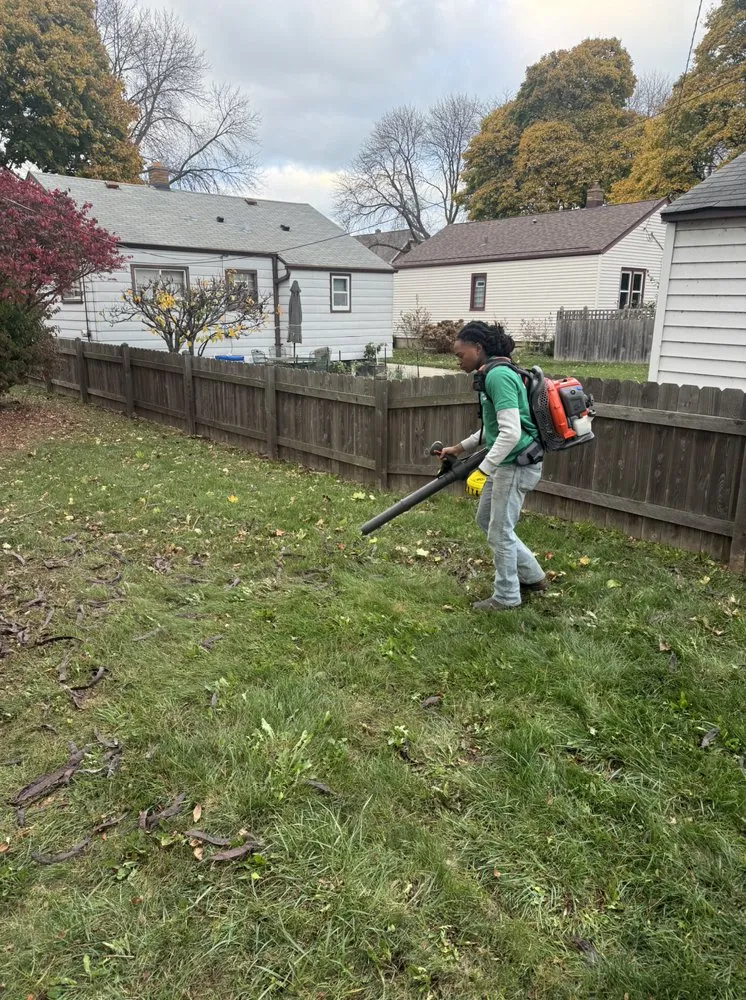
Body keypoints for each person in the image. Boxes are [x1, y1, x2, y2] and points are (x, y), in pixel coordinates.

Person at [439, 321, 547, 611]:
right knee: (486, 519)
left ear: (478, 348)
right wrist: (460, 448)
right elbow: (494, 428)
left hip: (516, 464)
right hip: (510, 463)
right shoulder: (492, 372)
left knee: (500, 531)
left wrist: (482, 470)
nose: (458, 361)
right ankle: (533, 576)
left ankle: (507, 596)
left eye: (460, 355)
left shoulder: (498, 376)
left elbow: (510, 433)